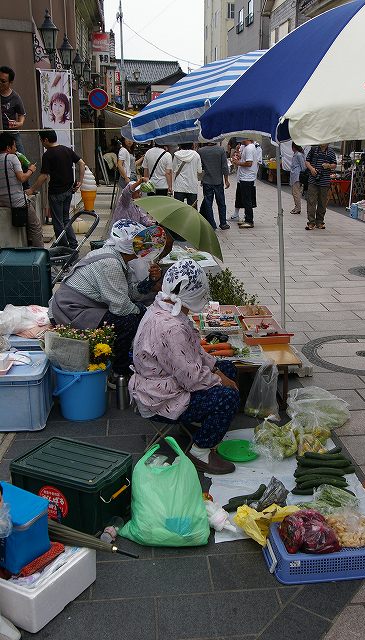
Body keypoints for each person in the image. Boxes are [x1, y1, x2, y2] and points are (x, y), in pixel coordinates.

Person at [129, 259, 240, 475]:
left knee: (227, 368)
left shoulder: (162, 306)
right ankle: (200, 451)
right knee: (228, 397)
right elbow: (191, 379)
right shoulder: (172, 327)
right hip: (161, 398)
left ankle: (200, 424)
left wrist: (217, 370)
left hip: (165, 382)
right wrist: (220, 381)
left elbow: (195, 353)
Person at [49, 220, 164, 382]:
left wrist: (151, 282)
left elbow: (129, 293)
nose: (145, 246)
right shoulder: (110, 264)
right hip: (70, 311)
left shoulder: (116, 257)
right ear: (129, 246)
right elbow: (121, 308)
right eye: (141, 243)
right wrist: (145, 313)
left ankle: (120, 360)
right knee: (129, 320)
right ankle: (119, 371)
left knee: (135, 314)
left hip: (81, 307)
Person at [25, 129, 85, 249]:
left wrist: (31, 190)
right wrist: (80, 181)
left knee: (57, 222)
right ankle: (73, 245)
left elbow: (44, 176)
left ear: (46, 140)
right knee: (65, 219)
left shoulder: (48, 155)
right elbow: (82, 163)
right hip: (69, 190)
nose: (41, 143)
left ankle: (62, 247)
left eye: (41, 140)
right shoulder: (66, 149)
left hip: (56, 193)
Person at [0, 132, 43, 247]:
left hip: (2, 202)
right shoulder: (13, 158)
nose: (16, 148)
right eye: (14, 146)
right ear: (8, 148)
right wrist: (31, 170)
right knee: (36, 227)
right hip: (17, 202)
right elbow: (22, 178)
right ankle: (41, 255)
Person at [198, 142, 230, 230]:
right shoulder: (220, 150)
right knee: (221, 203)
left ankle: (212, 224)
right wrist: (226, 180)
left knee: (208, 203)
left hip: (207, 181)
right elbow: (224, 166)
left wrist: (201, 180)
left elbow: (200, 167)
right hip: (218, 181)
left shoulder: (201, 151)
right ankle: (223, 223)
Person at [305, 143, 337, 230]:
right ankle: (311, 222)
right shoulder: (313, 150)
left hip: (325, 181)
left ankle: (320, 222)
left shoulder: (331, 152)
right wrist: (311, 169)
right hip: (313, 180)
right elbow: (307, 161)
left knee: (322, 202)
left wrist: (329, 166)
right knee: (311, 201)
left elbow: (334, 165)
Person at [231, 137, 259, 229]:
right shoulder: (249, 147)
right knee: (246, 199)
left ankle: (249, 221)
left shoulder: (249, 148)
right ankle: (247, 218)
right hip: (246, 177)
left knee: (247, 200)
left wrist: (237, 162)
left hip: (247, 178)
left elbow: (249, 163)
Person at [0, 66, 26, 154]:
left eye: (3, 81)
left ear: (10, 82)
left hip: (12, 133)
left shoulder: (15, 97)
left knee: (21, 156)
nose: (0, 83)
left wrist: (20, 123)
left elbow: (21, 114)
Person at [172, 142, 203, 208]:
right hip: (192, 185)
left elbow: (174, 169)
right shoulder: (196, 155)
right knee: (192, 209)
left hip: (179, 186)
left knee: (178, 209)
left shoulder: (176, 155)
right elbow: (199, 171)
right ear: (192, 145)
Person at [290, 143, 306, 215]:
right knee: (295, 193)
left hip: (297, 176)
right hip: (295, 175)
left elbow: (303, 166)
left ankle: (298, 208)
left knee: (296, 193)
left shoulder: (298, 155)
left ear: (294, 147)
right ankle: (296, 207)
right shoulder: (296, 154)